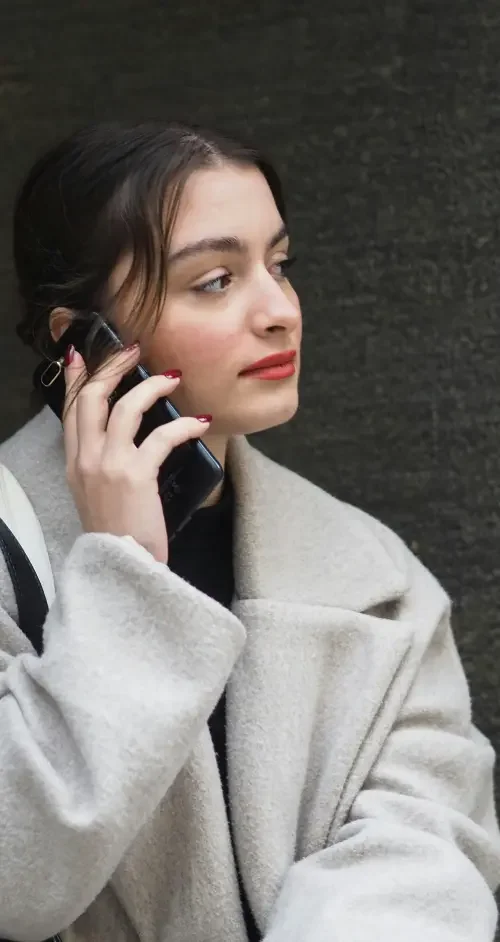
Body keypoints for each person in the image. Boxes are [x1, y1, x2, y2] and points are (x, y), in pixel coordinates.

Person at [0, 121, 498, 942]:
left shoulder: (375, 580)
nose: (278, 311)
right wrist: (126, 579)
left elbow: (429, 855)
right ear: (82, 343)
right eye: (215, 280)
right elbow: (20, 878)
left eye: (280, 265)